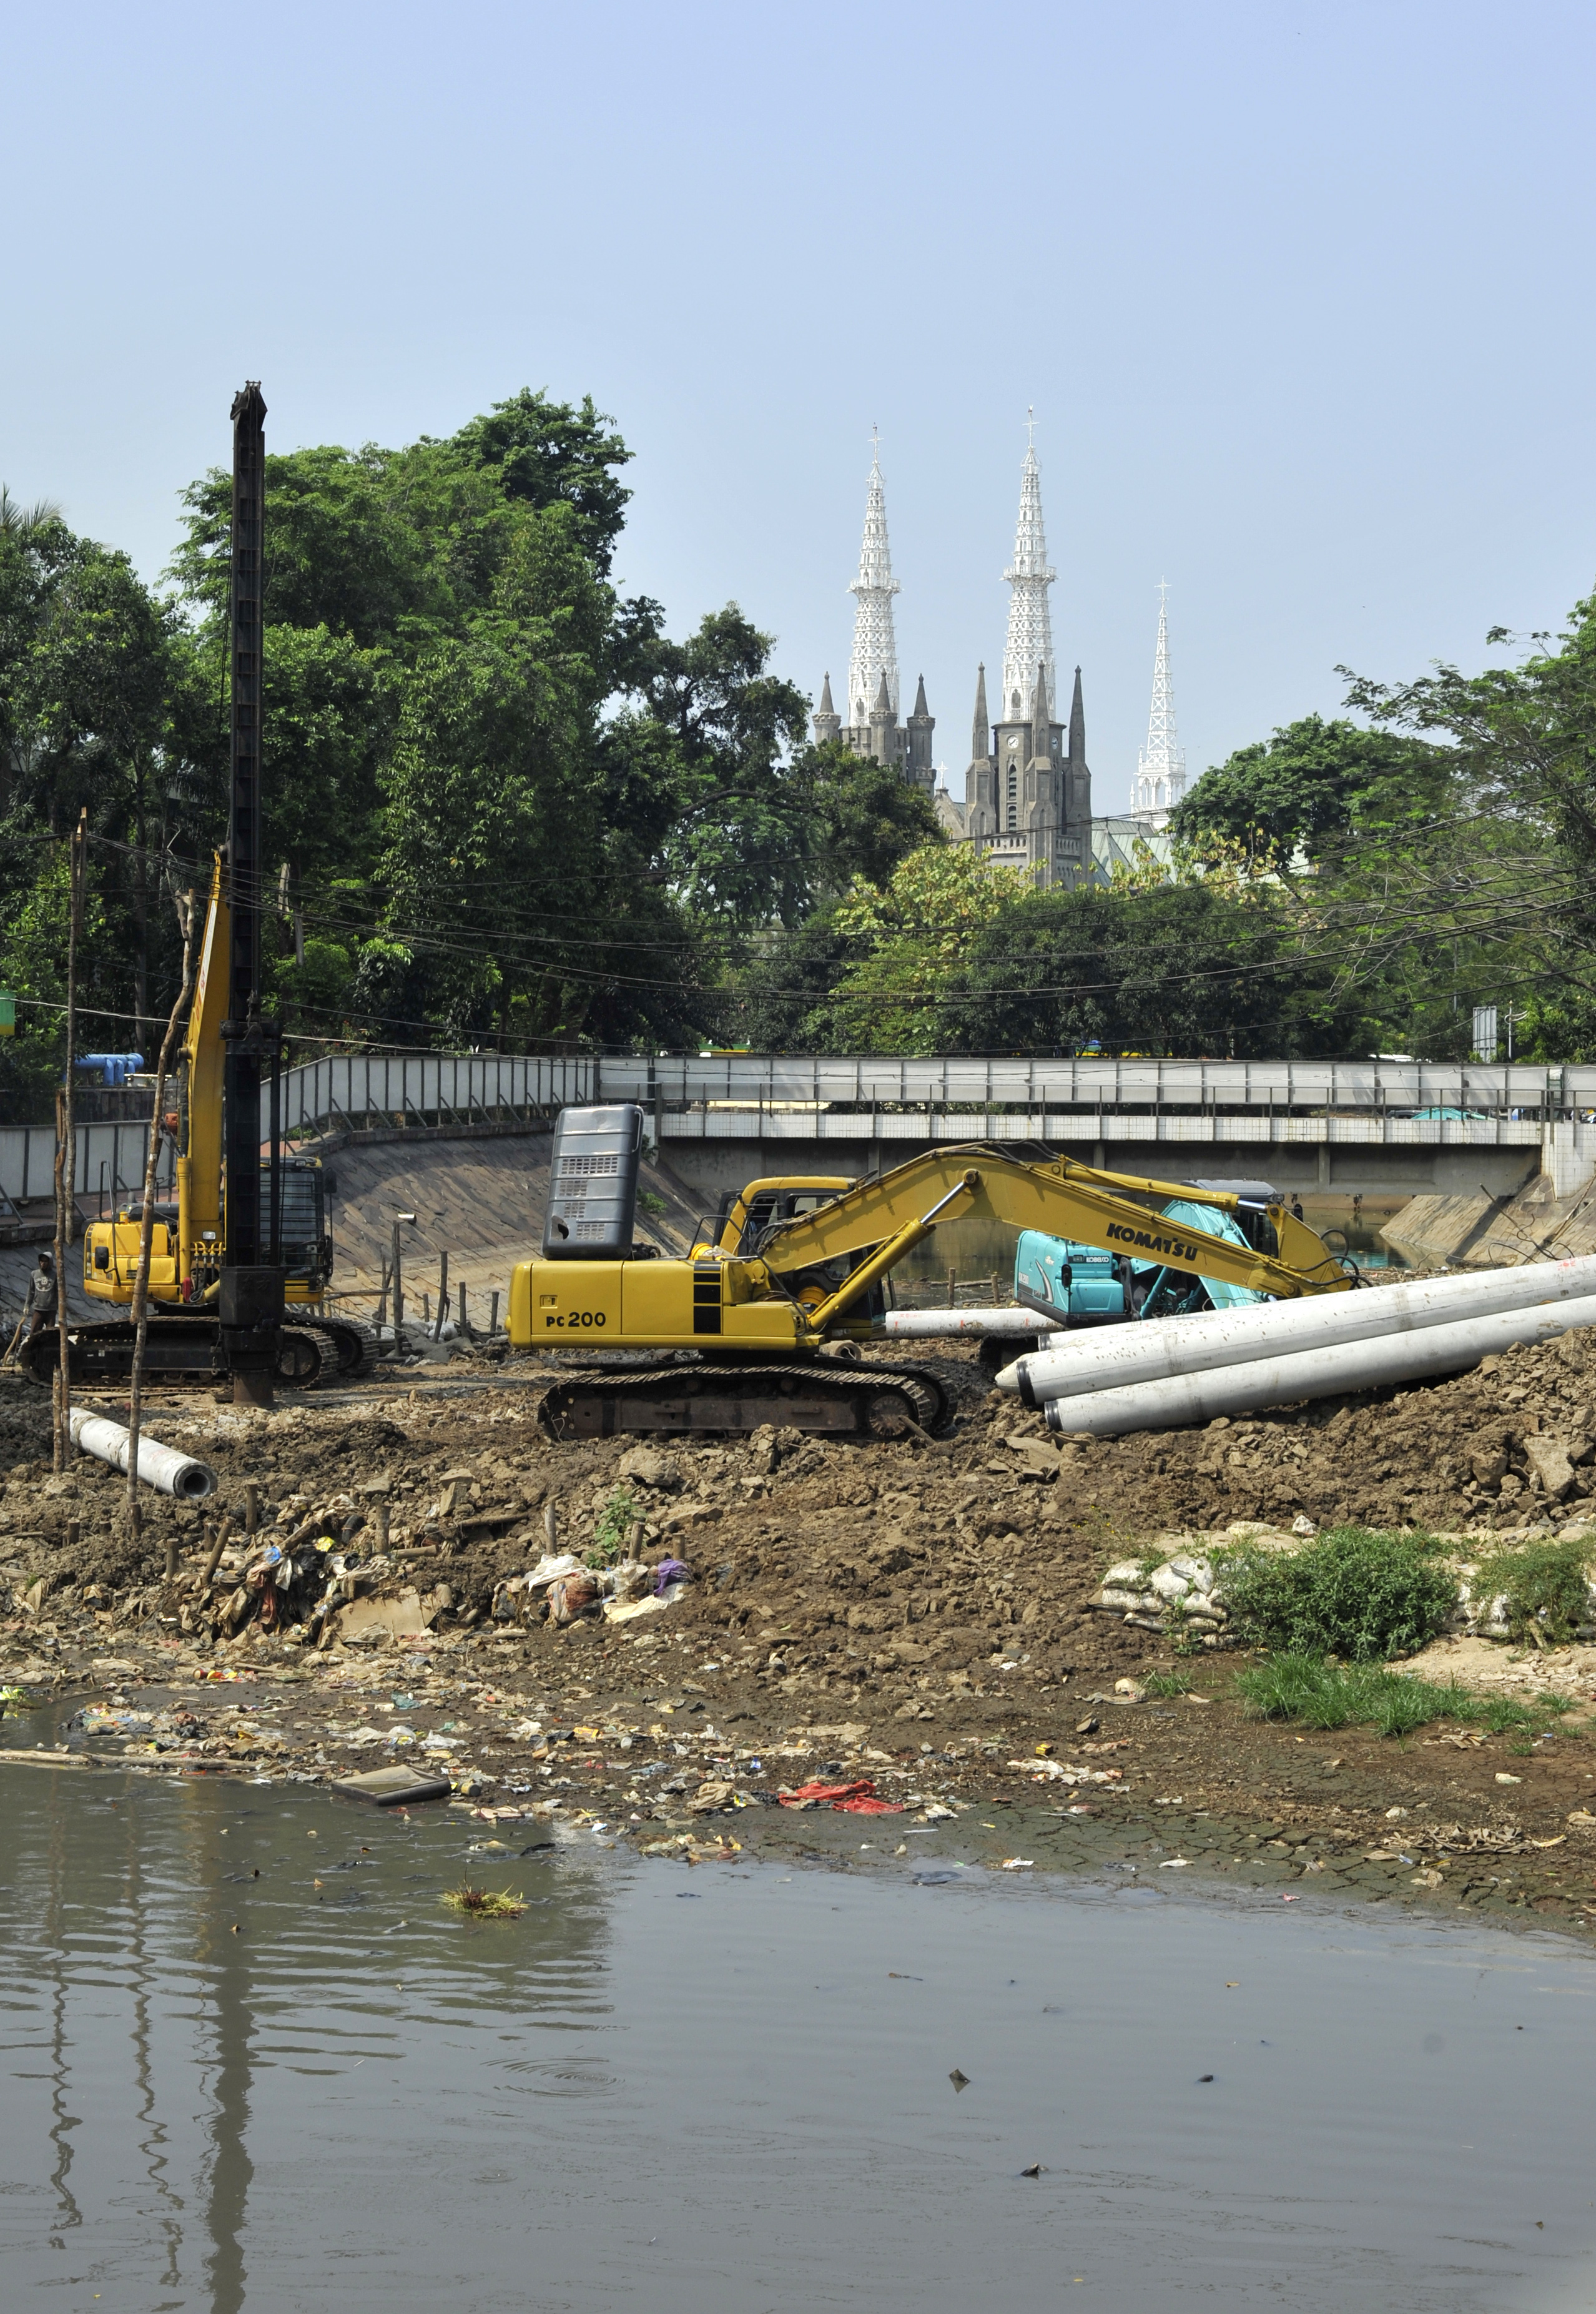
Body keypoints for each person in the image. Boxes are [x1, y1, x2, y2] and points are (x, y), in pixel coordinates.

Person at [23, 1251, 58, 1338]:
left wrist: (60, 1308)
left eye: (45, 1261)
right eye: (41, 1261)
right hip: (38, 1310)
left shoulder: (55, 1275)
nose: (43, 1263)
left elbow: (59, 1292)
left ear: (50, 1263)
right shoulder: (34, 1274)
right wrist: (27, 1305)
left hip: (51, 1310)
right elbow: (31, 1291)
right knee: (34, 1334)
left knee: (50, 1335)